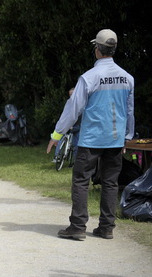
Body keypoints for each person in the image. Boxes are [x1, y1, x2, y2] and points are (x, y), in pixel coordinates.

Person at [46, 29, 134, 241]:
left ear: (97, 50)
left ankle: (77, 227)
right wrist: (127, 137)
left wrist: (57, 135)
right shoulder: (128, 78)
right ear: (113, 49)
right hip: (115, 139)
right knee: (111, 183)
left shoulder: (89, 77)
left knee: (81, 181)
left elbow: (73, 109)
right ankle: (106, 228)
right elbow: (129, 110)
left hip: (91, 140)